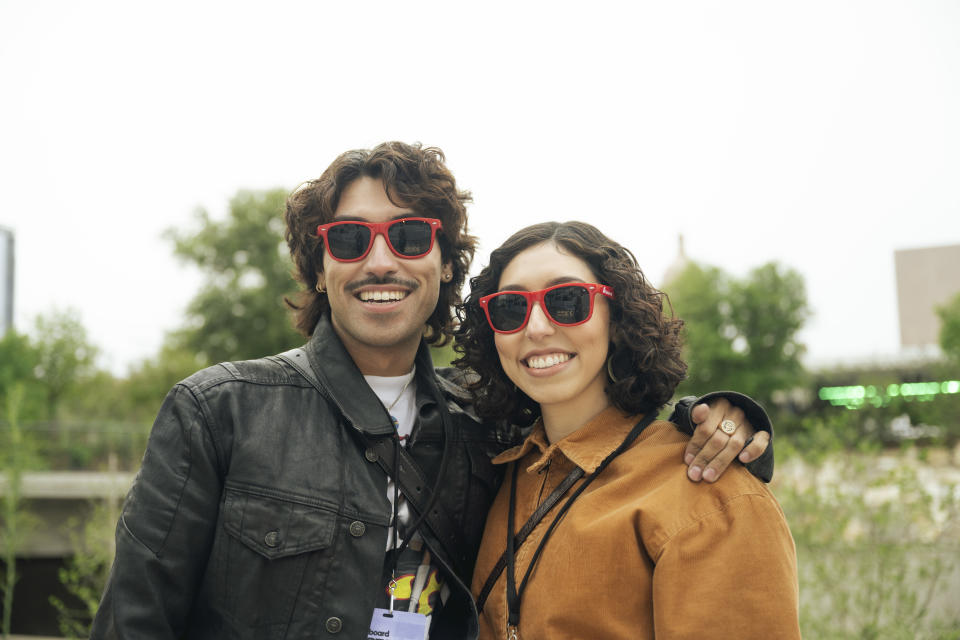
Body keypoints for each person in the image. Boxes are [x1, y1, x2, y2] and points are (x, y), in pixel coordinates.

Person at [91, 143, 774, 639]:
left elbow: (603, 435)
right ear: (318, 266)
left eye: (410, 235)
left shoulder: (491, 431)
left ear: (446, 264)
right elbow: (134, 622)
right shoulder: (220, 412)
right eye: (350, 238)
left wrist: (718, 421)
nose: (380, 259)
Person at [455, 221, 800, 639]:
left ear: (617, 319)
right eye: (510, 307)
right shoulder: (494, 471)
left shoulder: (708, 496)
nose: (537, 328)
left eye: (566, 301)